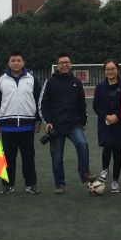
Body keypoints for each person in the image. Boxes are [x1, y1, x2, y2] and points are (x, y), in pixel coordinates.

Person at [39, 53, 96, 194]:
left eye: (67, 62)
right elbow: (43, 104)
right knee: (57, 157)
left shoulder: (77, 82)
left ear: (70, 65)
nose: (64, 65)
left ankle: (84, 173)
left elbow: (82, 104)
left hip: (73, 124)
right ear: (57, 65)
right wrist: (48, 122)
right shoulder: (50, 82)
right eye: (61, 63)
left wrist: (82, 122)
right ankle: (59, 184)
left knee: (82, 144)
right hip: (56, 126)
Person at [0, 51, 42, 194]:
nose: (16, 63)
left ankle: (31, 185)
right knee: (7, 159)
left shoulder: (32, 79)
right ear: (9, 62)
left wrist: (38, 120)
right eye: (13, 60)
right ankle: (7, 185)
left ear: (24, 62)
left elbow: (39, 100)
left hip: (27, 126)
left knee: (28, 158)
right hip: (7, 127)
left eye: (19, 60)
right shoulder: (1, 80)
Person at [92, 59, 121, 193]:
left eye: (113, 69)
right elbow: (96, 105)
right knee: (107, 145)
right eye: (107, 69)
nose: (110, 71)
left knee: (117, 152)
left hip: (119, 123)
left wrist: (117, 116)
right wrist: (106, 116)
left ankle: (115, 181)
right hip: (104, 123)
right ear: (104, 71)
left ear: (118, 70)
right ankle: (105, 169)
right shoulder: (100, 87)